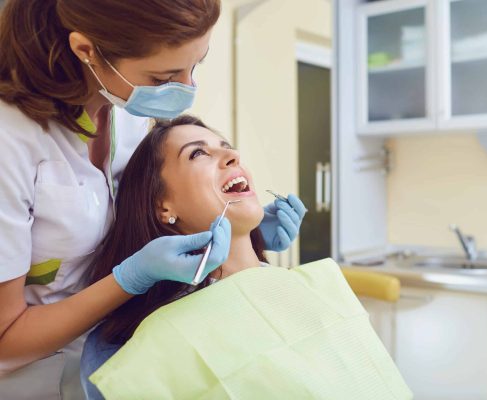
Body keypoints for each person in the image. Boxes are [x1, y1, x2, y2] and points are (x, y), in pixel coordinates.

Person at [0, 1, 305, 398]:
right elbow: (4, 335)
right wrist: (130, 278)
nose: (188, 90)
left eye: (196, 65)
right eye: (164, 77)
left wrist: (248, 235)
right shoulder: (10, 142)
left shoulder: (128, 110)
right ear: (86, 50)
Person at [80, 116, 410, 400]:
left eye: (227, 146)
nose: (232, 155)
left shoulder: (315, 289)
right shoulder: (129, 345)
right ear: (163, 207)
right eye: (198, 153)